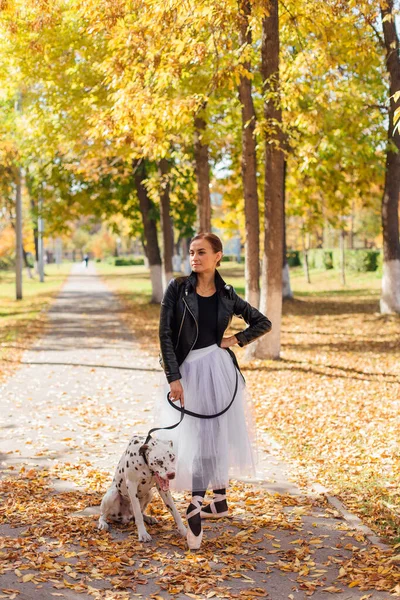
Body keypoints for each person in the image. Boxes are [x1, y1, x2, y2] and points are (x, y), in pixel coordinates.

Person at [158, 232, 271, 550]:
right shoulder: (178, 288)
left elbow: (262, 322)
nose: (195, 257)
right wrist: (173, 377)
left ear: (218, 256)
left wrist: (235, 340)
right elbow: (165, 333)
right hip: (187, 372)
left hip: (219, 372)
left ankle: (197, 505)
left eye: (202, 252)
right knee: (194, 439)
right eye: (192, 252)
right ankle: (215, 502)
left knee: (210, 438)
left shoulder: (227, 294)